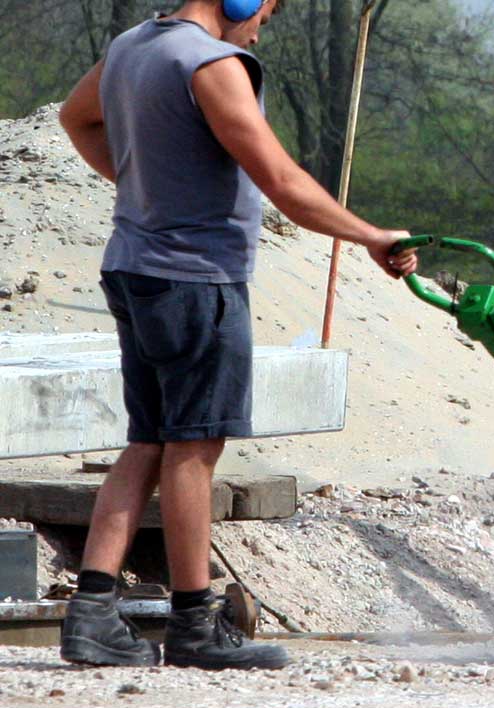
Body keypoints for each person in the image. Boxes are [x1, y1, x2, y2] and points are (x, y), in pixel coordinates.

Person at [56, 0, 418, 669]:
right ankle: (195, 621)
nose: (259, 27)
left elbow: (75, 118)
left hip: (133, 266)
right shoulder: (213, 63)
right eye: (265, 13)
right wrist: (372, 236)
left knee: (148, 439)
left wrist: (142, 185)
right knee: (194, 446)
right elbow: (281, 181)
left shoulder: (133, 46)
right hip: (195, 281)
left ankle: (91, 613)